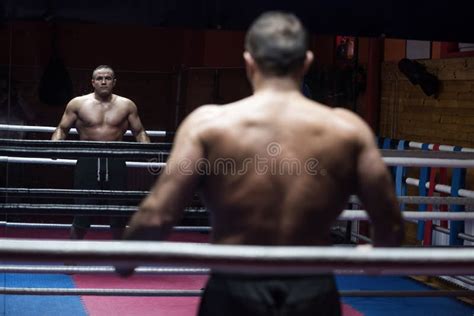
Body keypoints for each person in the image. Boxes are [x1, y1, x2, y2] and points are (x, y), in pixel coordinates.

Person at [119, 12, 404, 316]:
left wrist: (125, 259)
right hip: (311, 288)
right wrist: (375, 254)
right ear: (306, 62)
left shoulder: (209, 125)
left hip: (233, 286)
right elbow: (390, 224)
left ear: (249, 61)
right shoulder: (348, 130)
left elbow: (157, 217)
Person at [52, 65, 150, 240]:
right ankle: (71, 256)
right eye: (99, 78)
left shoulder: (127, 105)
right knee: (82, 213)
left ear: (114, 82)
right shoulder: (78, 103)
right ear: (93, 82)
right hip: (87, 159)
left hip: (116, 159)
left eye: (107, 78)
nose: (103, 81)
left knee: (119, 214)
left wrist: (148, 150)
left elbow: (139, 131)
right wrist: (54, 147)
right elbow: (62, 128)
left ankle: (119, 258)